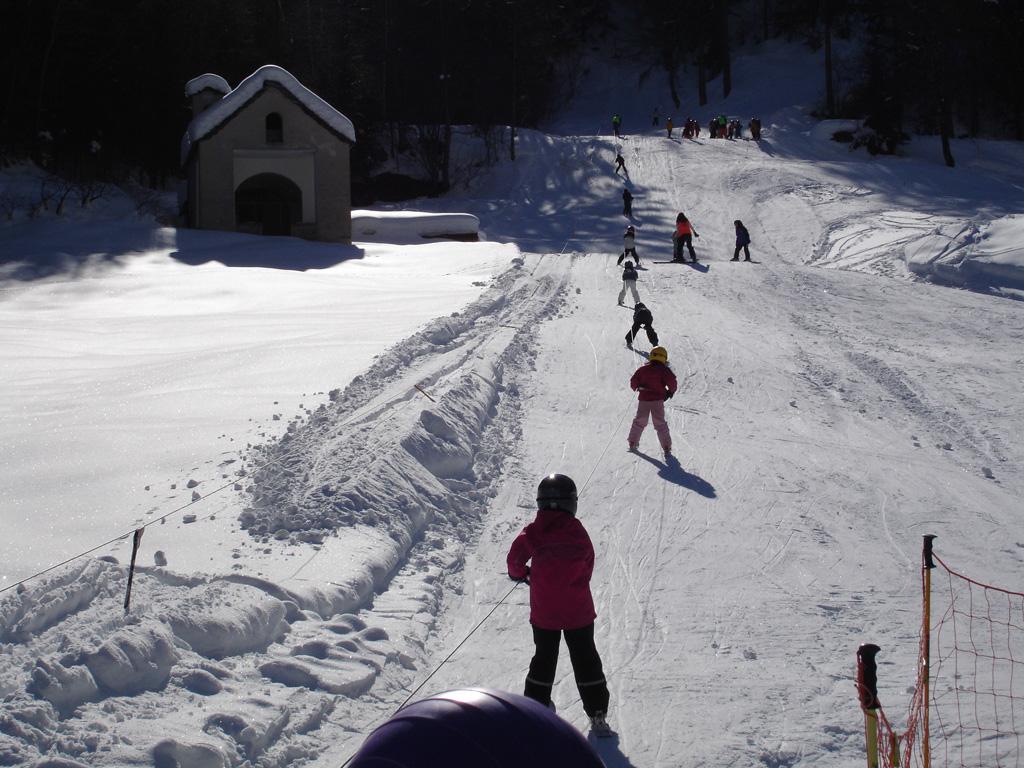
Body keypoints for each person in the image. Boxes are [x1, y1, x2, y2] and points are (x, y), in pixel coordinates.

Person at [507, 474, 612, 737]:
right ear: (571, 502)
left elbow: (515, 560)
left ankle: (534, 709)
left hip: (545, 613)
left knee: (543, 658)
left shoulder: (534, 531)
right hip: (578, 611)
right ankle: (597, 714)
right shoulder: (577, 531)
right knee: (586, 657)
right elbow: (588, 561)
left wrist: (522, 574)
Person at [627, 346, 677, 455]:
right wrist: (670, 391)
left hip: (644, 400)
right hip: (657, 401)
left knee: (640, 421)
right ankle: (666, 446)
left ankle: (632, 441)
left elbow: (633, 381)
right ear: (664, 358)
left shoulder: (643, 369)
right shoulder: (664, 370)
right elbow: (672, 381)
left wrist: (636, 386)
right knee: (660, 423)